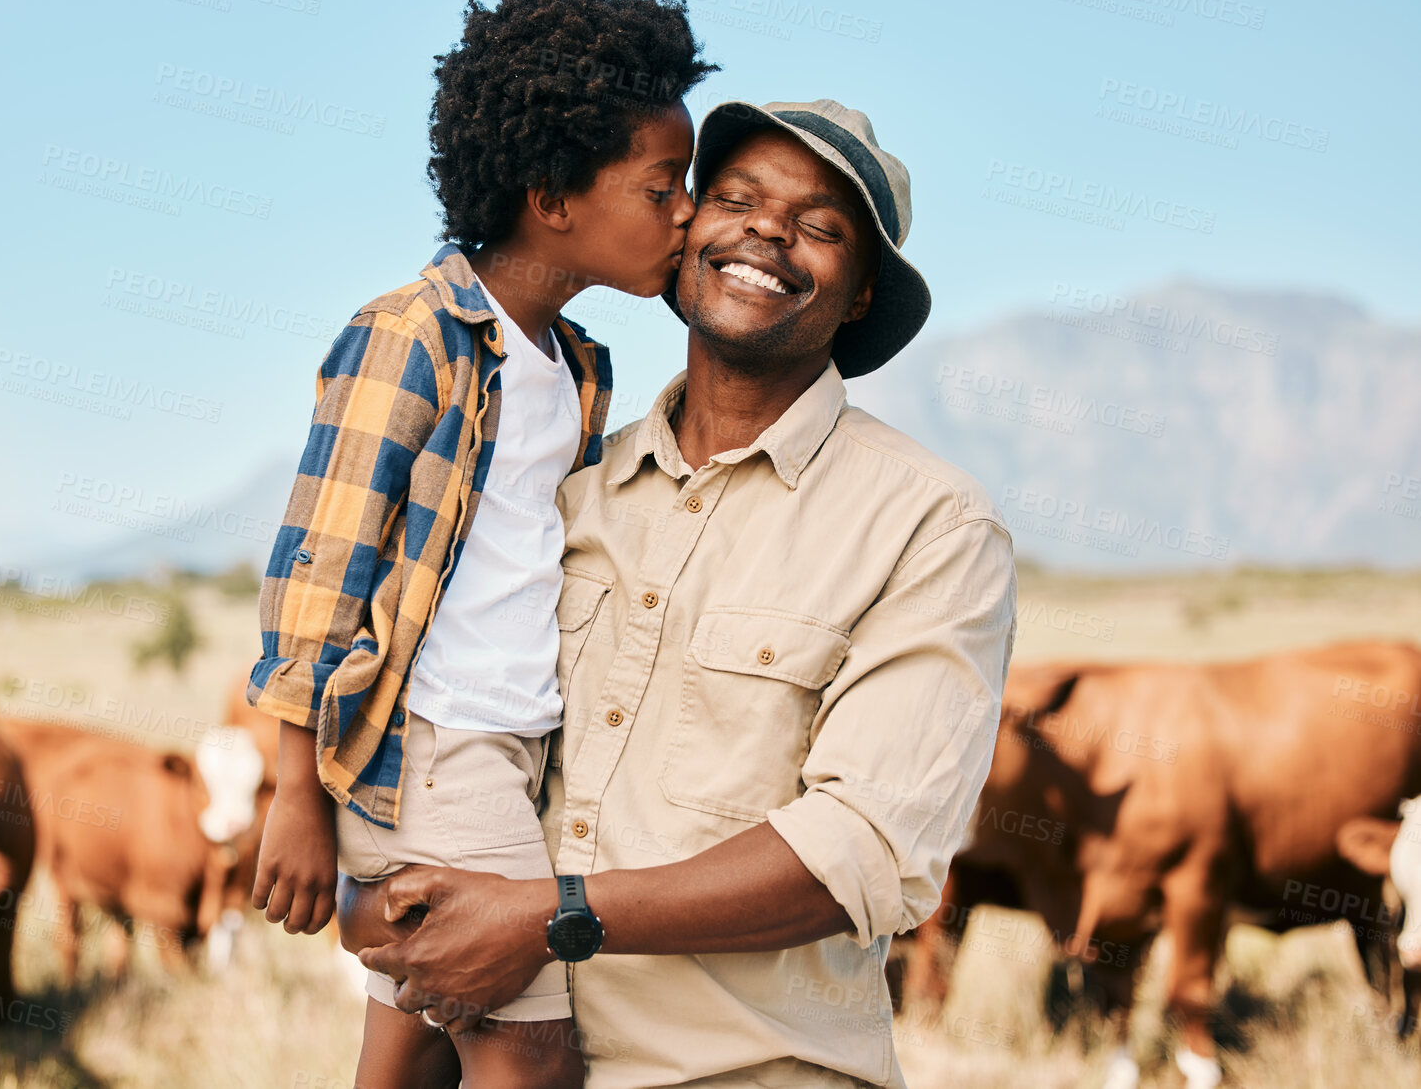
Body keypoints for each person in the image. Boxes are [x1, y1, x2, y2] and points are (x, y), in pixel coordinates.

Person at [349, 99, 1019, 1088]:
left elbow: (865, 849)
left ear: (863, 291)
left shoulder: (932, 525)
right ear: (687, 229)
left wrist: (551, 917)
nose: (767, 232)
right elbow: (439, 734)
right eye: (736, 198)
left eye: (820, 225)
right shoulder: (558, 491)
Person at [243, 0, 716, 1088]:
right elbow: (316, 567)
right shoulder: (414, 338)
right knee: (535, 1055)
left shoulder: (580, 367)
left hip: (518, 749)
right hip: (437, 750)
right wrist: (295, 795)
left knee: (408, 1055)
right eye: (662, 187)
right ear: (552, 197)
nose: (688, 213)